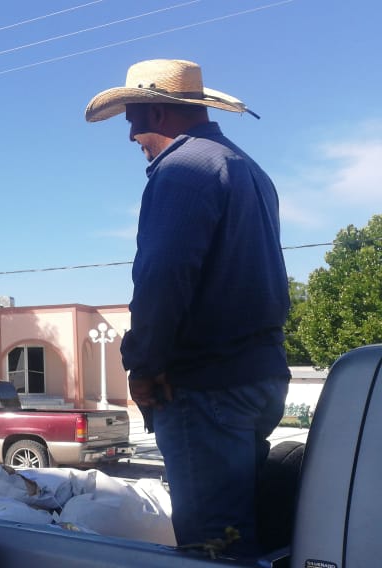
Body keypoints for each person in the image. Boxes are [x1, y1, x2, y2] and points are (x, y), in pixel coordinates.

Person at [86, 59, 290, 557]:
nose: (131, 135)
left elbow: (163, 275)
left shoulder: (183, 167)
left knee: (213, 548)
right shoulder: (247, 168)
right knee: (242, 532)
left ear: (157, 112)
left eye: (133, 118)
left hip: (206, 388)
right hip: (257, 377)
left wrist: (146, 366)